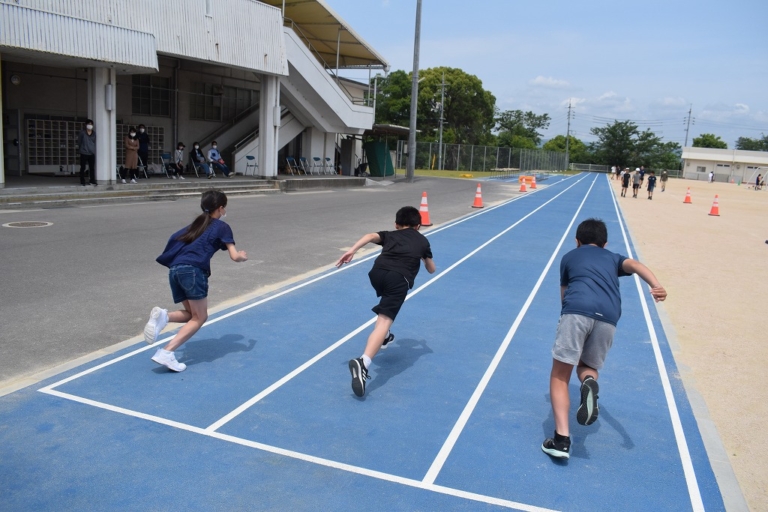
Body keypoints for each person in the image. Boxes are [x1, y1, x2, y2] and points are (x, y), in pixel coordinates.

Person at [541, 218, 666, 459]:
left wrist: (569, 321)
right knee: (588, 366)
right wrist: (656, 284)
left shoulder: (569, 257)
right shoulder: (613, 257)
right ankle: (588, 381)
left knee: (560, 375)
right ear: (605, 243)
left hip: (577, 311)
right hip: (609, 317)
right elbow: (636, 265)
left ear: (577, 242)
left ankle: (561, 441)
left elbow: (564, 295)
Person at [143, 190, 248, 372]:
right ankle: (167, 352)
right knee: (201, 317)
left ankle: (164, 316)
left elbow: (173, 242)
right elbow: (234, 256)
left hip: (175, 271)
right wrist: (242, 256)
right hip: (193, 271)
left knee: (192, 314)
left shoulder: (193, 226)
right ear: (221, 208)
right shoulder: (222, 227)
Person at [336, 206, 436, 397]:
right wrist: (424, 257)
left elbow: (369, 236)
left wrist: (352, 251)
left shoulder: (391, 235)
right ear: (418, 226)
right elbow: (431, 269)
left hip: (377, 274)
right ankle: (363, 363)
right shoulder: (423, 241)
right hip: (398, 279)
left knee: (384, 311)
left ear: (396, 224)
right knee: (384, 320)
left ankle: (386, 336)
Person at [77, 119, 97, 186]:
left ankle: (92, 180)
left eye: (91, 124)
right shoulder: (82, 133)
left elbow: (94, 142)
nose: (90, 125)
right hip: (84, 152)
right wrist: (81, 149)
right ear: (86, 125)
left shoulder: (94, 133)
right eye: (89, 124)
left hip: (91, 153)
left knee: (92, 168)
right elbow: (79, 141)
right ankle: (82, 180)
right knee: (83, 167)